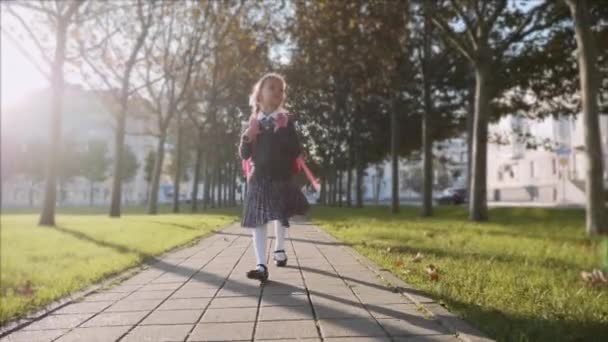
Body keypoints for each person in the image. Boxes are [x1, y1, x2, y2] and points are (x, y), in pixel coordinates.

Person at [239, 72, 309, 282]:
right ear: (259, 93)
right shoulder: (253, 122)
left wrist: (281, 131)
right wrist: (247, 137)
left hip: (282, 177)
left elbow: (295, 150)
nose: (278, 92)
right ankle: (261, 265)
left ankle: (279, 248)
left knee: (281, 214)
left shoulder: (286, 121)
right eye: (272, 87)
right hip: (259, 177)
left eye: (281, 90)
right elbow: (245, 154)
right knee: (258, 221)